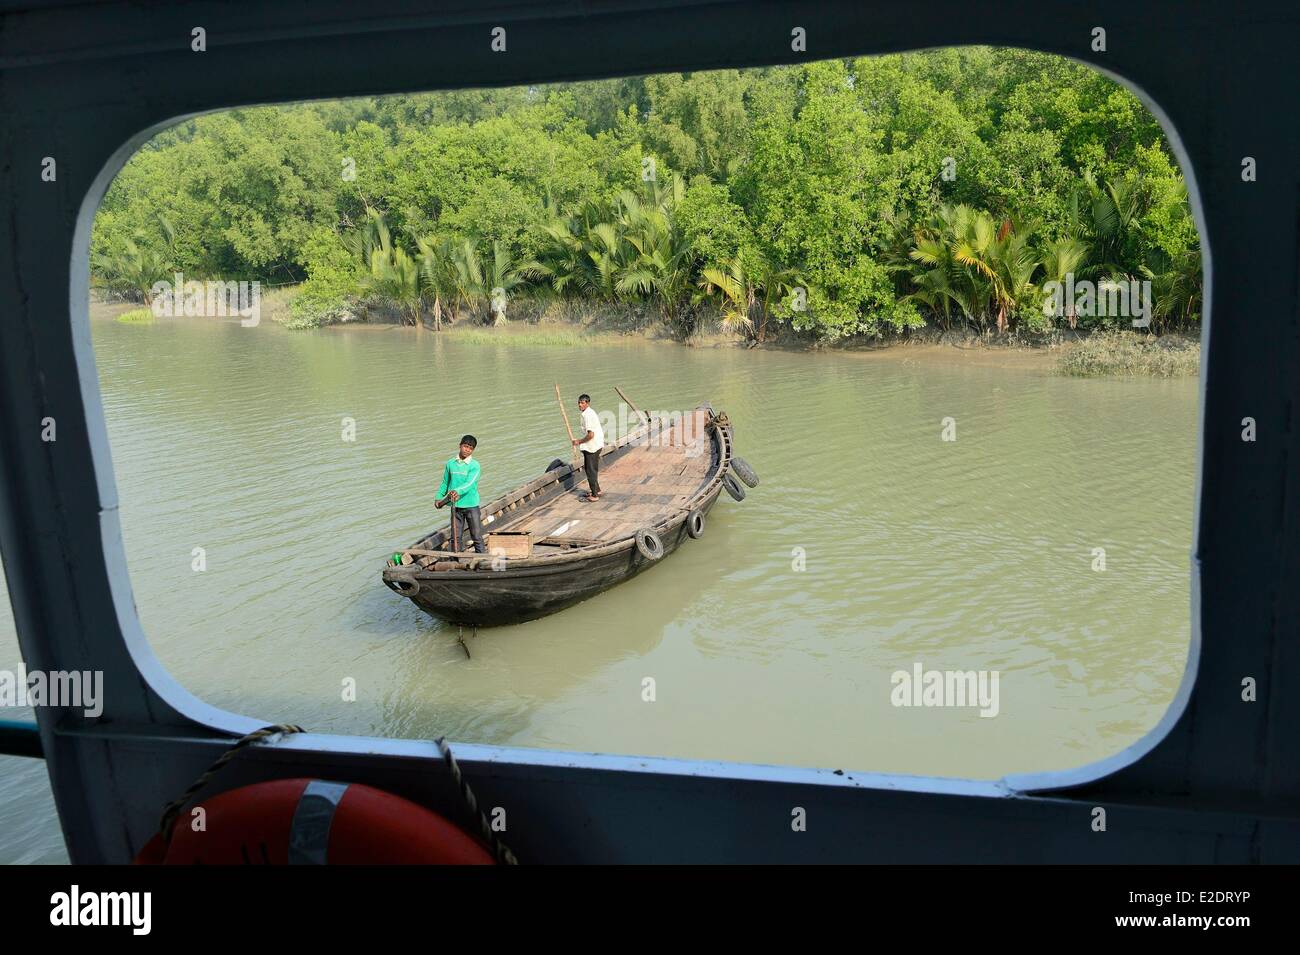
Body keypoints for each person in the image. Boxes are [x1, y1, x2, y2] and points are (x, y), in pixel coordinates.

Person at [435, 434, 487, 553]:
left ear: (473, 450)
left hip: (471, 505)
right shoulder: (450, 463)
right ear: (460, 446)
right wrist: (438, 497)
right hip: (456, 506)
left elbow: (469, 484)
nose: (467, 450)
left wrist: (456, 491)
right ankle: (456, 560)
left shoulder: (474, 465)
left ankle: (482, 559)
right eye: (465, 446)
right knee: (455, 537)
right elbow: (445, 482)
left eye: (470, 448)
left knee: (476, 536)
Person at [572, 393, 605, 501]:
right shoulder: (588, 412)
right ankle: (597, 490)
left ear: (587, 403)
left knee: (590, 470)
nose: (580, 405)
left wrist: (579, 442)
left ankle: (594, 496)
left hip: (593, 446)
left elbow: (591, 435)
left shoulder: (588, 415)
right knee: (592, 469)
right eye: (579, 403)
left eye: (582, 403)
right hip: (596, 444)